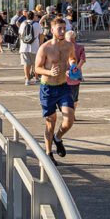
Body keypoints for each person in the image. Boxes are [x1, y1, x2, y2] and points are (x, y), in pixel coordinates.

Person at [34, 17, 76, 164]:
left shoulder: (69, 46)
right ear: (52, 30)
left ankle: (58, 138)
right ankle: (48, 152)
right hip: (48, 89)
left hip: (64, 86)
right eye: (60, 29)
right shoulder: (44, 48)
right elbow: (37, 69)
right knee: (50, 122)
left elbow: (72, 58)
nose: (63, 31)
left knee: (69, 121)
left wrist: (73, 66)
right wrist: (50, 72)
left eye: (64, 28)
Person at [64, 29, 85, 113]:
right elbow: (83, 59)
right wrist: (77, 68)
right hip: (76, 76)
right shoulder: (80, 47)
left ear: (66, 39)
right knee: (74, 97)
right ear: (75, 38)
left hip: (64, 76)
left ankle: (66, 113)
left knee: (64, 96)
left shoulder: (62, 48)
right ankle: (72, 114)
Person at [19, 12, 42, 85]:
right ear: (33, 17)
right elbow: (42, 34)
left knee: (26, 63)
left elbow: (20, 34)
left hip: (24, 46)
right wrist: (40, 44)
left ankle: (27, 79)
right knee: (35, 63)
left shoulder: (23, 24)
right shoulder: (37, 25)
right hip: (34, 46)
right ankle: (37, 78)